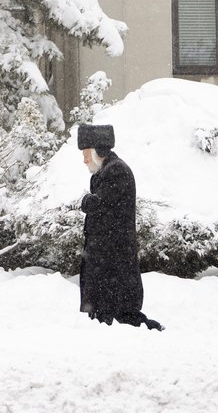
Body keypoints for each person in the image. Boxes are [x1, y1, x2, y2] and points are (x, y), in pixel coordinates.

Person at [77, 123, 164, 331]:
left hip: (113, 257)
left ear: (98, 151)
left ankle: (154, 333)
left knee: (121, 312)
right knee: (111, 311)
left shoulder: (116, 170)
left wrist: (86, 201)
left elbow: (100, 204)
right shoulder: (105, 171)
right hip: (108, 257)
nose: (84, 159)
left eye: (86, 153)